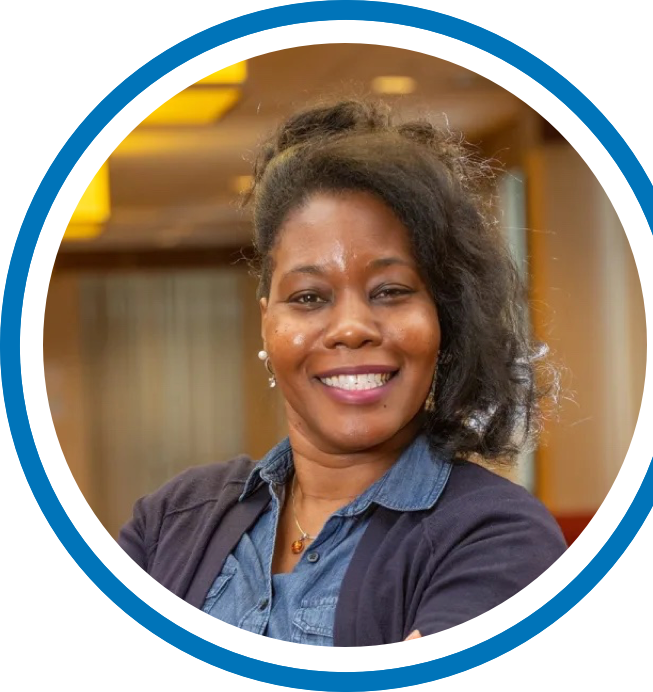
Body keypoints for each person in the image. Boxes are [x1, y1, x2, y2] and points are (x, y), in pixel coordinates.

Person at [118, 99, 567, 646]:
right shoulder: (172, 519)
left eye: (392, 292)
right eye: (308, 297)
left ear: (443, 321)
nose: (351, 328)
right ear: (267, 326)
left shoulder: (497, 536)